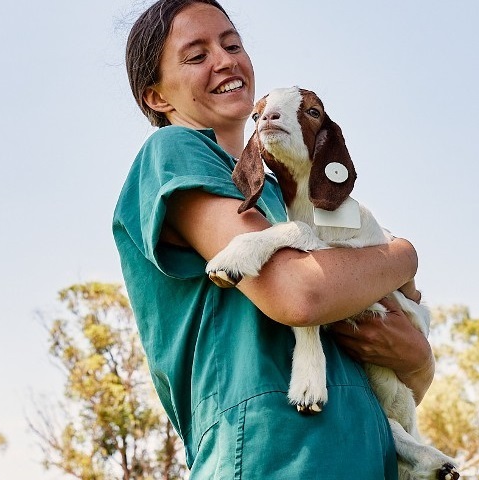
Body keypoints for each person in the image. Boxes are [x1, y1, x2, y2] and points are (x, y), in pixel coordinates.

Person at [112, 1, 434, 477]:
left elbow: (389, 370)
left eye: (231, 44)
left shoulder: (281, 200)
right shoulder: (174, 152)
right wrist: (404, 256)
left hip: (363, 454)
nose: (224, 60)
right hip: (272, 452)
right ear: (158, 97)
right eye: (196, 55)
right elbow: (300, 294)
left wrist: (419, 359)